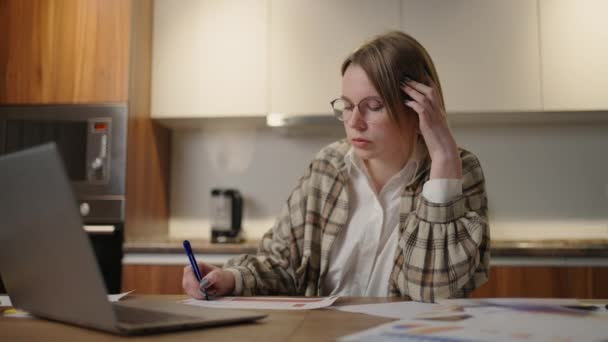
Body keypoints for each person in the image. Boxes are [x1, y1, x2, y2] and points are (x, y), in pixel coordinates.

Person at [183, 31, 490, 302]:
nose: (354, 122)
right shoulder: (328, 167)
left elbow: (432, 290)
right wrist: (231, 278)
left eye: (373, 106)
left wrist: (444, 157)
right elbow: (283, 264)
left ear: (418, 107)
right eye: (346, 106)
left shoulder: (458, 171)